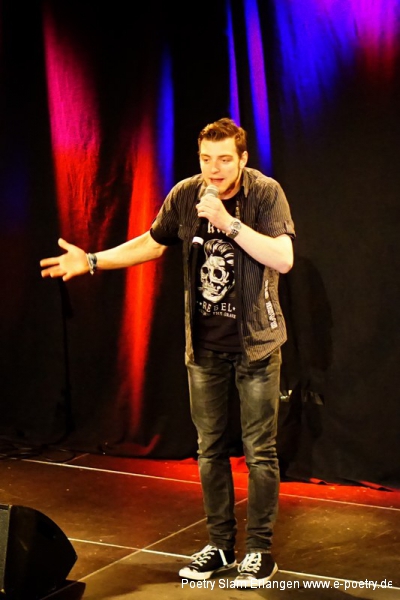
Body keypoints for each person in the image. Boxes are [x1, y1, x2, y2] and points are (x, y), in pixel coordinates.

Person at [40, 117, 295, 587]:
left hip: (257, 345)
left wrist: (227, 223)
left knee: (260, 452)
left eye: (225, 160)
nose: (214, 170)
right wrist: (92, 260)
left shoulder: (264, 193)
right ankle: (220, 545)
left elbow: (283, 258)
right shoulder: (186, 194)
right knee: (209, 449)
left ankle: (259, 551)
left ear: (242, 159)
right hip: (205, 348)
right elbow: (152, 243)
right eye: (206, 159)